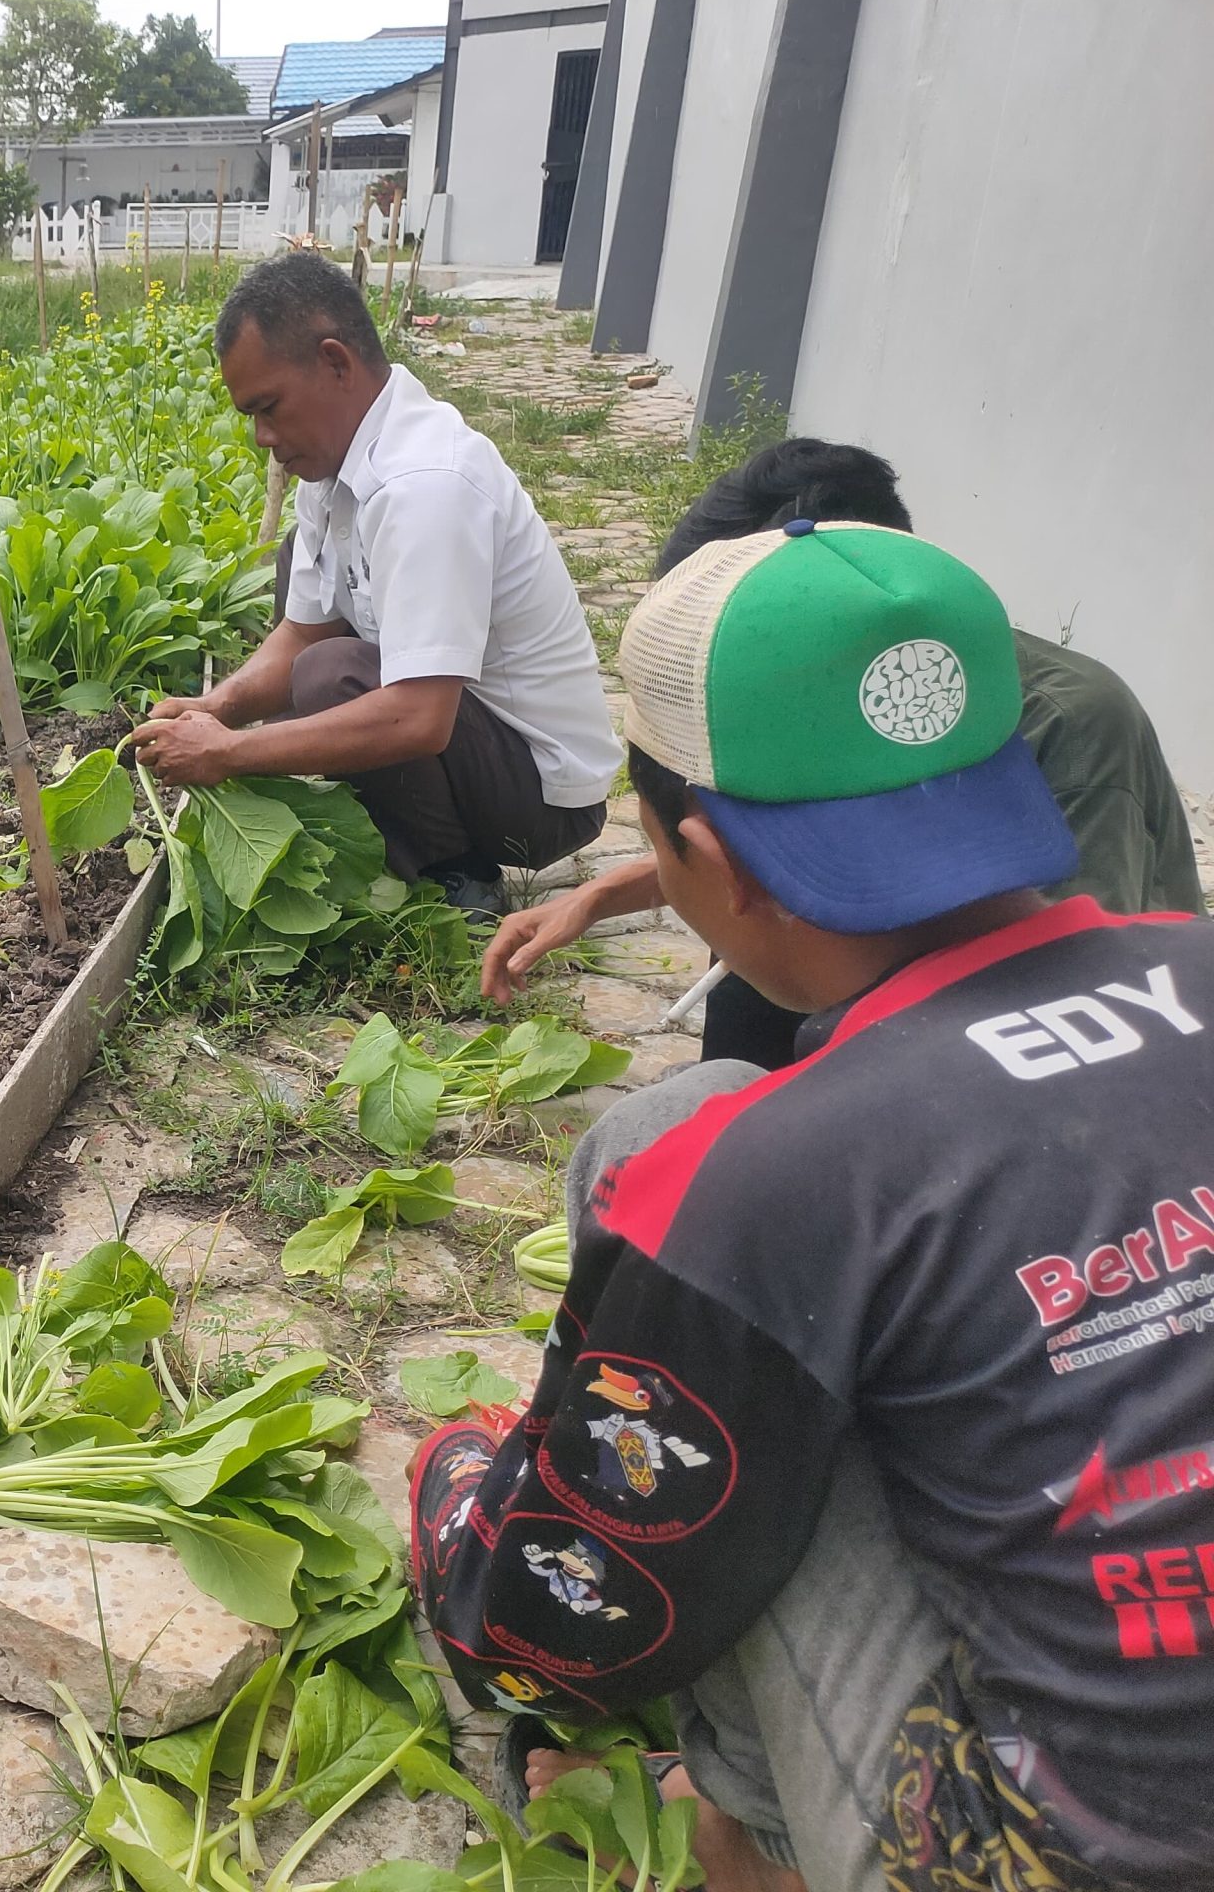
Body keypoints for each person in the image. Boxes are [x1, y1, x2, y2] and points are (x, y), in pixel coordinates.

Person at [411, 518, 1214, 1890]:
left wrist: (459, 1490)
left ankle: (752, 1833)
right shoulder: (1190, 957)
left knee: (696, 1355)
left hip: (1071, 1859)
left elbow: (556, 1624)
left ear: (706, 857)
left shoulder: (779, 1174)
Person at [482, 440, 1203, 1063]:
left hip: (1048, 1021)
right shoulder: (806, 692)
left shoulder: (1070, 721)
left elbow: (1066, 976)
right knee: (751, 977)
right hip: (875, 958)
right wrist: (601, 894)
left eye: (745, 629)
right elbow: (757, 856)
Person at [129, 251, 620, 916]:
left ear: (336, 363)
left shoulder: (426, 485)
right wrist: (216, 710)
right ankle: (391, 823)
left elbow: (418, 717)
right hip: (475, 746)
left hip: (539, 797)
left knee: (331, 675)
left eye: (269, 408)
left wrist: (232, 753)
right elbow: (303, 630)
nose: (262, 437)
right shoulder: (336, 462)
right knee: (305, 595)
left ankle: (455, 873)